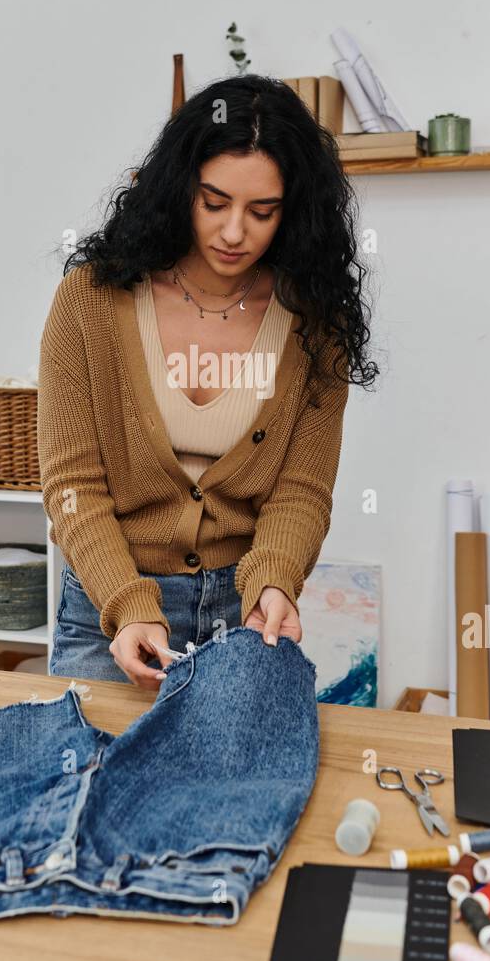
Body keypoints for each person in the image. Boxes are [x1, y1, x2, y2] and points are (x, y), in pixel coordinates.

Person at [37, 73, 378, 687]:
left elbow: (301, 488)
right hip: (108, 613)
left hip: (243, 615)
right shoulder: (89, 301)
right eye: (214, 202)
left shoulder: (314, 319)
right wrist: (129, 604)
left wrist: (274, 579)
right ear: (179, 188)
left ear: (293, 211)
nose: (233, 232)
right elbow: (72, 486)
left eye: (262, 211)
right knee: (91, 776)